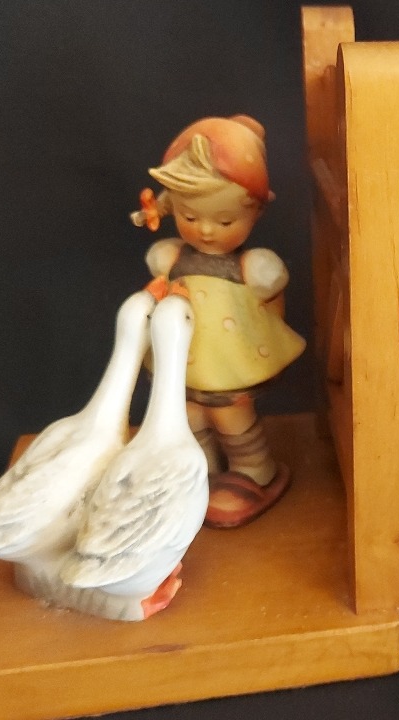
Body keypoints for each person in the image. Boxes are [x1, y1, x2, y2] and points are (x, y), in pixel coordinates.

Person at [132, 115, 306, 529]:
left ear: (256, 211)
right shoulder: (171, 257)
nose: (206, 230)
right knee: (188, 415)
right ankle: (201, 469)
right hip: (185, 360)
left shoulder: (252, 266)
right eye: (190, 217)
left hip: (230, 364)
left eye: (225, 221)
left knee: (231, 416)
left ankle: (253, 469)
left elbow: (272, 296)